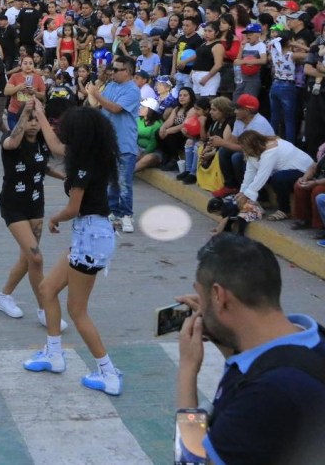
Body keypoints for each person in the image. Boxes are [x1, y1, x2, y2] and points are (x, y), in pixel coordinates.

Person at [175, 232, 325, 465]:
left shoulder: (264, 394)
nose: (200, 309)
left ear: (218, 295)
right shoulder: (313, 338)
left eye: (202, 298)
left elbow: (191, 460)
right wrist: (223, 332)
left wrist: (187, 369)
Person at [23, 106, 124, 396]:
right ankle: (54, 354)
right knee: (46, 289)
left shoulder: (83, 166)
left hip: (91, 237)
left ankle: (108, 373)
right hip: (89, 235)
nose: (60, 130)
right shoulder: (90, 154)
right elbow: (55, 146)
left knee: (77, 310)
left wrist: (54, 219)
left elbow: (73, 208)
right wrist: (40, 112)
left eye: (65, 127)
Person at [0, 99, 68, 331]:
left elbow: (42, 167)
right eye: (29, 120)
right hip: (13, 206)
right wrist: (24, 113)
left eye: (37, 119)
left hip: (35, 204)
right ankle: (45, 309)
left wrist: (66, 177)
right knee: (36, 258)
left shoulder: (42, 145)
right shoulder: (11, 140)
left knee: (27, 259)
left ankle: (4, 296)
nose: (33, 124)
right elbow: (11, 143)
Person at [86, 55, 141, 233]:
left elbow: (115, 108)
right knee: (111, 181)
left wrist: (96, 95)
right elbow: (99, 106)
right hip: (108, 142)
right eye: (113, 69)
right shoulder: (111, 85)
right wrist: (93, 93)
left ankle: (126, 215)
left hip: (124, 143)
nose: (113, 72)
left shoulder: (132, 90)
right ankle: (113, 213)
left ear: (128, 72)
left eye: (117, 69)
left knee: (124, 182)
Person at [235, 130, 314, 222]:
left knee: (278, 178)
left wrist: (246, 195)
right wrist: (242, 191)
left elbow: (263, 174)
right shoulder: (256, 149)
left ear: (252, 145)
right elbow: (250, 172)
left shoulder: (271, 149)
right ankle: (257, 203)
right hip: (284, 169)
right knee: (249, 168)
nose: (243, 150)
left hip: (304, 171)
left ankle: (284, 210)